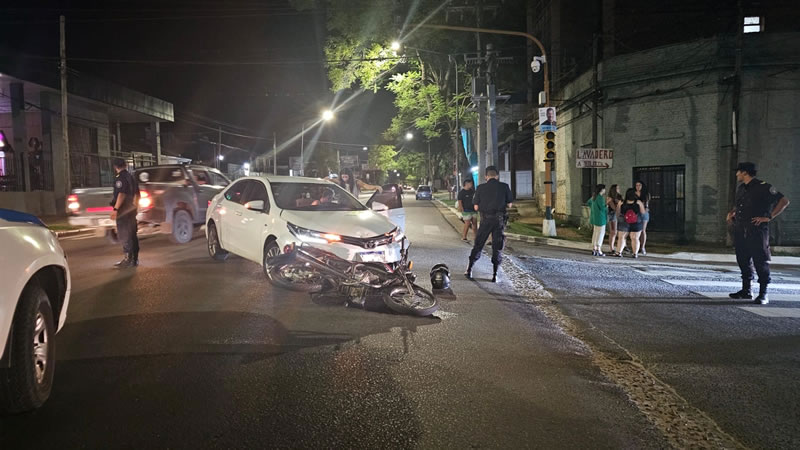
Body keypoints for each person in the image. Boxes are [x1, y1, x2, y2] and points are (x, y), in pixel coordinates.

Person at [726, 162, 790, 305]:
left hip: (757, 231)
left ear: (745, 173)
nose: (736, 174)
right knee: (743, 260)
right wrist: (732, 213)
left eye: (738, 172)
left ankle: (763, 294)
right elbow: (740, 205)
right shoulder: (742, 188)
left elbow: (784, 201)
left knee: (760, 261)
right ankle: (746, 290)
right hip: (741, 229)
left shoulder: (764, 187)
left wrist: (769, 217)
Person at [465, 166, 513, 282]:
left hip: (486, 220)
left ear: (486, 177)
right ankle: (495, 274)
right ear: (497, 176)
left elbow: (475, 206)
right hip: (499, 220)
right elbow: (510, 204)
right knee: (497, 247)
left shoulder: (481, 188)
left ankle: (469, 269)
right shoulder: (504, 187)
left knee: (479, 244)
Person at [110, 158, 139, 268]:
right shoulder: (131, 177)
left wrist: (116, 209)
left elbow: (121, 194)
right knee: (132, 234)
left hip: (123, 211)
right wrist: (135, 208)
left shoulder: (121, 178)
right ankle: (135, 259)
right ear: (125, 165)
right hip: (131, 210)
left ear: (115, 167)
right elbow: (137, 194)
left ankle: (128, 259)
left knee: (124, 234)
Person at [615, 188, 646, 258]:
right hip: (636, 222)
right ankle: (635, 253)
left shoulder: (621, 202)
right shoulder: (638, 202)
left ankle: (619, 252)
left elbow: (617, 212)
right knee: (635, 238)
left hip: (624, 221)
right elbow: (643, 212)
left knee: (621, 237)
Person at [587, 184, 607, 256]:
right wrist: (606, 206)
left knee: (595, 233)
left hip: (594, 217)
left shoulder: (594, 197)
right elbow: (602, 208)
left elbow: (588, 203)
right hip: (601, 218)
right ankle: (599, 249)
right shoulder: (600, 198)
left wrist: (594, 209)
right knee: (601, 234)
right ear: (602, 190)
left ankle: (594, 248)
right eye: (604, 189)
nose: (605, 190)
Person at [634, 181, 651, 255]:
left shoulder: (646, 194)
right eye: (636, 185)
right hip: (636, 213)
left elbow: (646, 203)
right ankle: (636, 247)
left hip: (643, 212)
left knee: (643, 230)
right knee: (637, 230)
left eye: (639, 185)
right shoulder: (633, 194)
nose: (638, 187)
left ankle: (642, 247)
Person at [606, 184, 621, 255]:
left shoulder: (619, 196)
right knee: (613, 231)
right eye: (617, 188)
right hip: (612, 215)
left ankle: (614, 247)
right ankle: (611, 248)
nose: (619, 189)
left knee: (616, 232)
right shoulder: (610, 198)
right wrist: (619, 203)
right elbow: (614, 208)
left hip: (617, 215)